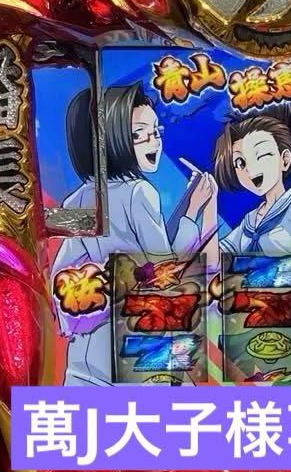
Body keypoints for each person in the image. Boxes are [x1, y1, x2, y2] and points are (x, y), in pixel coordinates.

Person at [51, 83, 217, 385]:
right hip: (136, 349)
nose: (154, 142)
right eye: (140, 134)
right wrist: (193, 210)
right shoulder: (140, 192)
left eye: (156, 132)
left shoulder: (75, 199)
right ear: (112, 140)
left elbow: (61, 276)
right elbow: (166, 269)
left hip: (86, 357)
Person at [213, 102, 291, 255]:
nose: (250, 169)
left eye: (261, 155)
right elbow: (212, 262)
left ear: (284, 160)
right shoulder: (250, 221)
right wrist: (207, 206)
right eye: (240, 162)